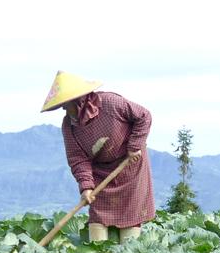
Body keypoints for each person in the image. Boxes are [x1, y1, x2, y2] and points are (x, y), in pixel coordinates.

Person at [41, 71, 155, 243]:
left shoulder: (111, 103)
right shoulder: (69, 125)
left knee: (130, 224)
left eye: (66, 105)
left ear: (79, 100)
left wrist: (134, 146)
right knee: (98, 221)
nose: (65, 109)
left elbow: (144, 116)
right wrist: (86, 186)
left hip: (129, 167)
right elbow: (77, 158)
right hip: (100, 174)